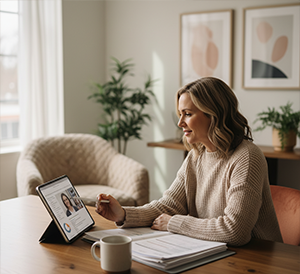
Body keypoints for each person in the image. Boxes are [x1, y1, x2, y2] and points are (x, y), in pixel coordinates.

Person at [95, 77, 283, 247]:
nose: (180, 123)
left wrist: (174, 223)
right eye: (180, 114)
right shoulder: (197, 155)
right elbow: (168, 205)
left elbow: (235, 231)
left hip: (258, 258)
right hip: (214, 250)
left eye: (187, 114)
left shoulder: (247, 157)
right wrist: (123, 214)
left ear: (213, 115)